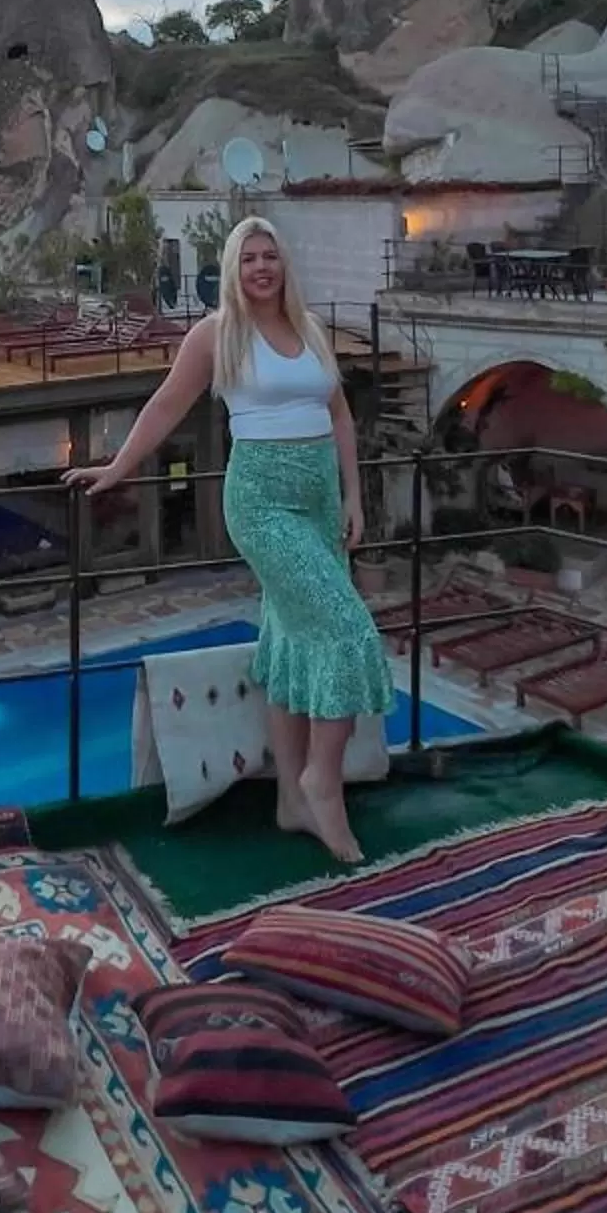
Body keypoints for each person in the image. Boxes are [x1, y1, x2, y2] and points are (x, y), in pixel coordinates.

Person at [65, 218, 391, 860]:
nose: (262, 267)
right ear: (233, 270)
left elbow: (340, 415)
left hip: (320, 498)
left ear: (284, 264)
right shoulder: (216, 334)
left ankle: (291, 801)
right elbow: (166, 405)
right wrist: (116, 467)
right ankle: (322, 782)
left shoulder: (309, 328)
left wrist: (354, 496)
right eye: (249, 258)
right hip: (261, 501)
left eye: (271, 256)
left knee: (291, 638)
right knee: (347, 629)